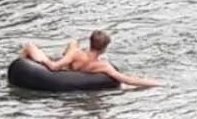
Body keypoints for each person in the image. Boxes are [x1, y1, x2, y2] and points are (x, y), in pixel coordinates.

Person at [18, 31, 159, 89]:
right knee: (72, 44)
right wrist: (155, 83)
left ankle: (20, 68)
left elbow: (54, 67)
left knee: (30, 46)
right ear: (104, 49)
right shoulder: (102, 66)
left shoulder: (76, 54)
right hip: (83, 70)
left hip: (68, 67)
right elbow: (127, 80)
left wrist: (44, 60)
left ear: (90, 42)